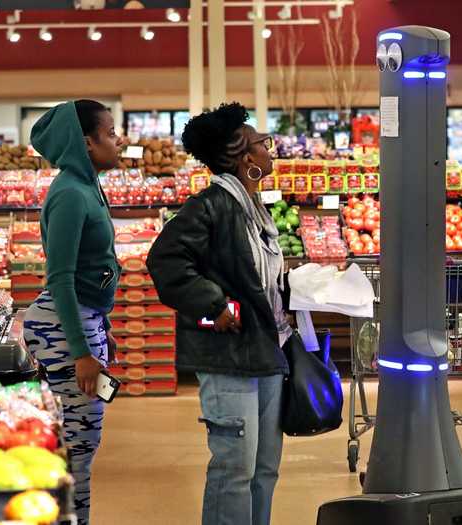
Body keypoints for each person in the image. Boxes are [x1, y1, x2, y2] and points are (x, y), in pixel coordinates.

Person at [146, 102, 291, 525]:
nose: (271, 151)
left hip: (266, 349)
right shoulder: (211, 204)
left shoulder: (254, 207)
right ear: (244, 156)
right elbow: (166, 260)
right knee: (235, 470)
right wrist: (215, 306)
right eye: (264, 144)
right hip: (228, 357)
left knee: (264, 468)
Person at [23, 100, 122, 525]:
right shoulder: (69, 194)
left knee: (83, 440)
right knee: (77, 447)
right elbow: (60, 278)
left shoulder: (87, 186)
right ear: (87, 142)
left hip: (82, 321)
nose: (119, 141)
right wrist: (82, 350)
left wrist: (104, 326)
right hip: (64, 330)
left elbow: (91, 270)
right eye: (111, 132)